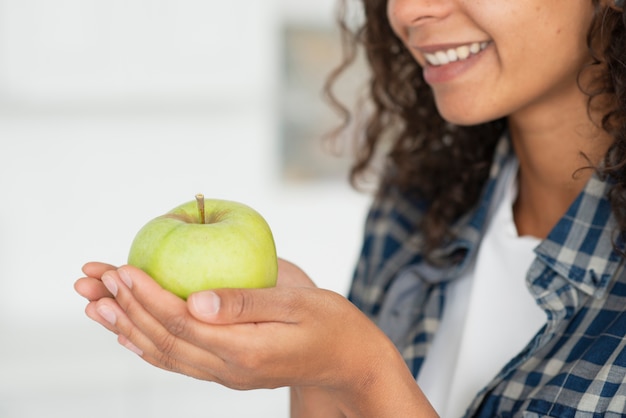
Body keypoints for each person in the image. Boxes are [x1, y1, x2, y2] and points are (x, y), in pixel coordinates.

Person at [74, 0, 626, 416]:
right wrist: (310, 361)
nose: (408, 10)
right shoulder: (418, 204)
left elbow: (358, 368)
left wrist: (361, 370)